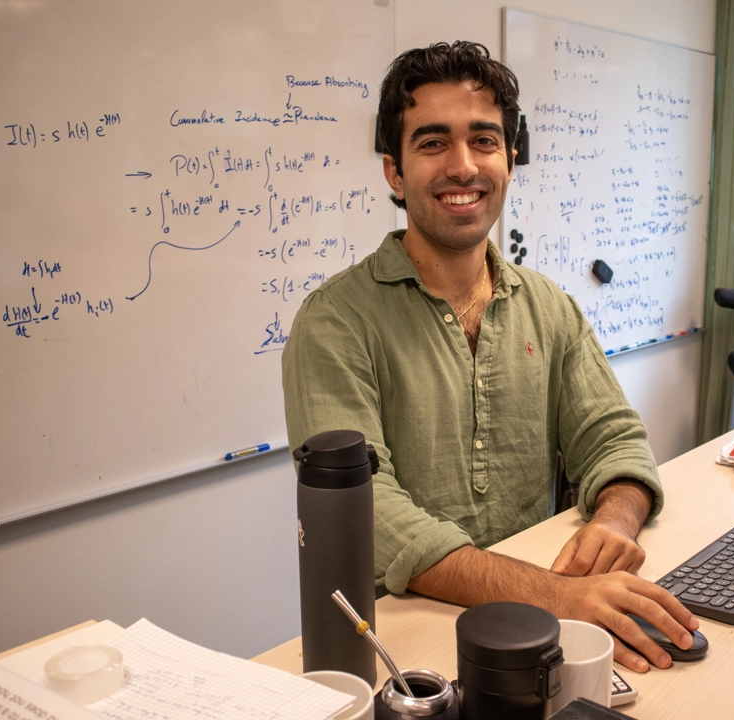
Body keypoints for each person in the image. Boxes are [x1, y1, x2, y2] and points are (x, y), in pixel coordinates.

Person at [282, 41, 697, 672]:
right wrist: (556, 595)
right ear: (394, 172)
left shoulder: (548, 305)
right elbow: (371, 516)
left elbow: (615, 440)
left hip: (542, 630)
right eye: (432, 143)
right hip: (407, 646)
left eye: (484, 140)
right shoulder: (334, 323)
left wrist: (614, 522)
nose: (463, 165)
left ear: (508, 158)